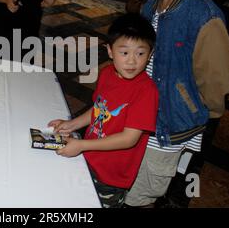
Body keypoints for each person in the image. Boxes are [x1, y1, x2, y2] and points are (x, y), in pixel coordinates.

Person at [124, 0, 229, 208]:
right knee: (124, 187)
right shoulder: (152, 4)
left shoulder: (203, 16)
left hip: (166, 131)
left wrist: (185, 107)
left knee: (138, 199)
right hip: (138, 117)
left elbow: (217, 86)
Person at [48, 14, 159, 208]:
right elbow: (99, 109)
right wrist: (72, 124)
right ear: (110, 51)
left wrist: (82, 145)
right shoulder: (108, 73)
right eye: (124, 52)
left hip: (111, 177)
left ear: (150, 55)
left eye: (140, 54)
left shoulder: (146, 91)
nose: (132, 61)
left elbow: (129, 139)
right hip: (89, 158)